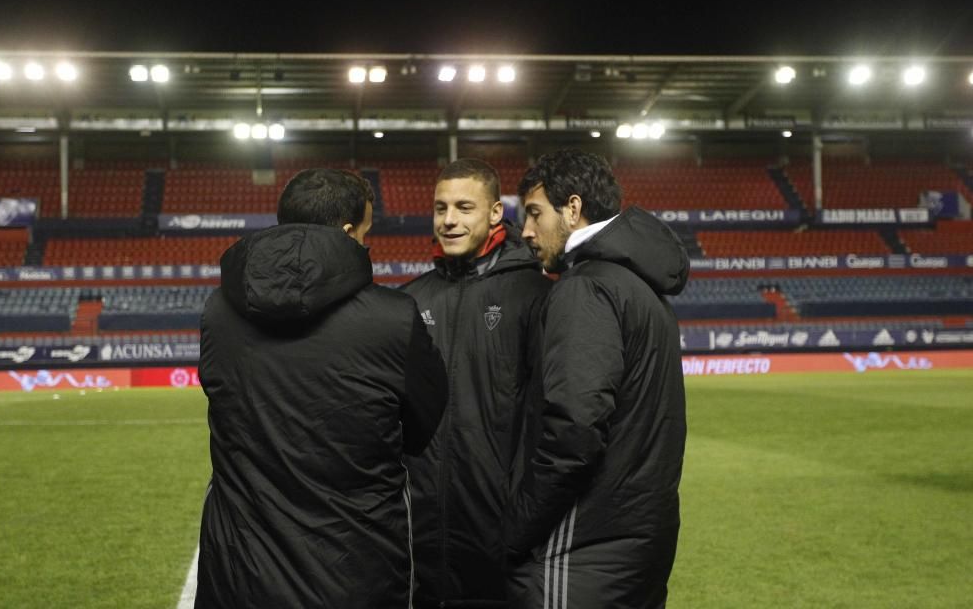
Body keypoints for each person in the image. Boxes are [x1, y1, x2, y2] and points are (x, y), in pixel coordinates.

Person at [195, 168, 448, 608]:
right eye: (367, 232)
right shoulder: (395, 317)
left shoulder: (218, 310)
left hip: (239, 574)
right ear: (350, 232)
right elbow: (423, 428)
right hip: (356, 570)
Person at [505, 149, 690, 608]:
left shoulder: (586, 287)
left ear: (572, 207)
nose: (525, 231)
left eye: (533, 213)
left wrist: (517, 526)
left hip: (584, 546)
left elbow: (575, 430)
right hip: (639, 539)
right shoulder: (642, 287)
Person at [400, 158, 552, 607]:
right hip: (421, 539)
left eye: (464, 207)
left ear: (493, 214)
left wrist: (523, 514)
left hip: (503, 537)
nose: (449, 220)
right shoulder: (410, 300)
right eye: (440, 208)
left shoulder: (535, 295)